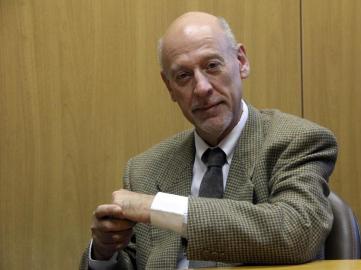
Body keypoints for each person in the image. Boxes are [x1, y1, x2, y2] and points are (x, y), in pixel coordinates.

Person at [80, 11, 337, 270]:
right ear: (169, 87)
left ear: (241, 61)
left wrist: (158, 207)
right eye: (183, 76)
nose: (201, 88)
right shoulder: (144, 169)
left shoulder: (296, 140)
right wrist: (103, 252)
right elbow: (131, 261)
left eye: (212, 66)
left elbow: (299, 231)